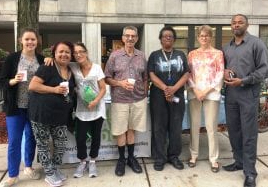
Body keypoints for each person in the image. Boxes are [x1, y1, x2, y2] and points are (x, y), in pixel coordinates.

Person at [222, 14, 268, 187]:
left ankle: (250, 173)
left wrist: (243, 80)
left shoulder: (256, 44)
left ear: (247, 25)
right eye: (234, 23)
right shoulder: (226, 47)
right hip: (231, 95)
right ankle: (239, 162)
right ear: (231, 26)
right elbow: (222, 68)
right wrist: (224, 73)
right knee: (234, 131)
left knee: (249, 134)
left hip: (248, 94)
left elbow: (265, 69)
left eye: (240, 22)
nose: (236, 25)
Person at [0, 28, 43, 187]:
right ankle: (12, 175)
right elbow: (2, 80)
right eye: (27, 39)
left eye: (33, 39)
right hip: (15, 107)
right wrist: (13, 81)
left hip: (35, 107)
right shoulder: (12, 58)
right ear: (21, 41)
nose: (30, 42)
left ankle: (29, 167)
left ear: (37, 41)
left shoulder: (42, 59)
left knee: (31, 138)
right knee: (14, 141)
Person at [28, 41, 75, 187]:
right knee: (43, 145)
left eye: (67, 52)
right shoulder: (47, 67)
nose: (64, 54)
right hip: (42, 113)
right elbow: (33, 86)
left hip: (60, 115)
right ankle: (49, 173)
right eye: (60, 51)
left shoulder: (70, 71)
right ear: (54, 54)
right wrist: (54, 90)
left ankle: (54, 168)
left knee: (60, 144)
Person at [104, 26, 148, 176]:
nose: (130, 38)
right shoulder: (114, 56)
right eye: (127, 36)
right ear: (123, 38)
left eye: (133, 36)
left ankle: (131, 158)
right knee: (121, 130)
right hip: (120, 99)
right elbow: (107, 78)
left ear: (136, 38)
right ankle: (121, 159)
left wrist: (145, 92)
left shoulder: (141, 55)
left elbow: (145, 77)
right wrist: (120, 83)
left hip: (138, 99)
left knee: (132, 129)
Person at [148, 26, 189, 171]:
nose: (167, 38)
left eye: (170, 36)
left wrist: (174, 89)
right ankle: (160, 158)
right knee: (159, 127)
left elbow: (186, 74)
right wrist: (166, 88)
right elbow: (151, 74)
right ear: (160, 39)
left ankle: (174, 156)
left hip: (176, 95)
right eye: (165, 36)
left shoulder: (181, 54)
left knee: (175, 127)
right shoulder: (154, 55)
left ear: (174, 39)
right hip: (158, 96)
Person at [187, 25, 224, 173]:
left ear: (211, 37)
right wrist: (196, 89)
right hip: (194, 92)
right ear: (198, 37)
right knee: (194, 126)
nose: (204, 38)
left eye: (207, 35)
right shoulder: (192, 54)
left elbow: (220, 74)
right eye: (201, 36)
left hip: (211, 93)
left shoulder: (218, 53)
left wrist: (206, 91)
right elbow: (188, 74)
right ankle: (193, 155)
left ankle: (213, 159)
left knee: (211, 127)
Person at [70, 42, 106, 178]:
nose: (78, 54)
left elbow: (103, 88)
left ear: (86, 52)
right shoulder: (73, 67)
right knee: (80, 138)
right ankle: (82, 162)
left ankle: (92, 161)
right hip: (82, 109)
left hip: (97, 109)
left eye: (81, 51)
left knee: (96, 137)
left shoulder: (96, 68)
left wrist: (96, 101)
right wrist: (48, 58)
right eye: (75, 52)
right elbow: (59, 61)